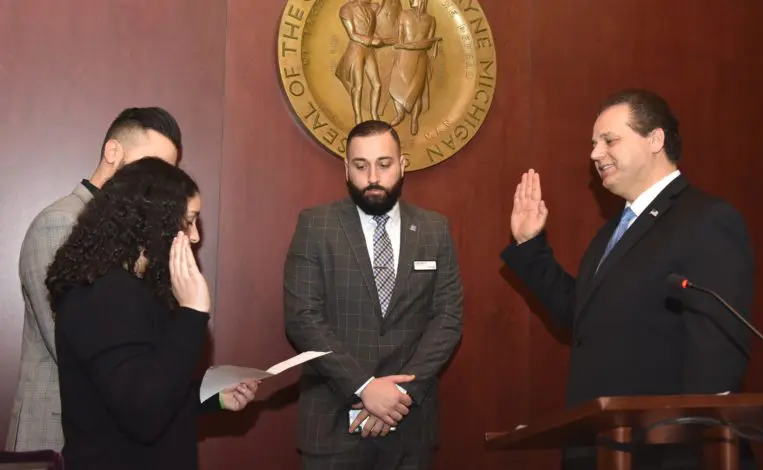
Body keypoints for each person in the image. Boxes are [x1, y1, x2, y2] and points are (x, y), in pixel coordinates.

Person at [500, 89, 755, 469]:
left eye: (610, 140)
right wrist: (529, 245)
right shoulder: (612, 233)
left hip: (665, 455)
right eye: (593, 144)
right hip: (605, 447)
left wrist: (685, 451)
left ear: (655, 139)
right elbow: (579, 316)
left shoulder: (706, 220)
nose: (595, 154)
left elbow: (715, 358)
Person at [45, 157, 258, 470]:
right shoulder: (104, 295)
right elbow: (144, 413)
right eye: (189, 221)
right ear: (153, 221)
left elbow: (149, 382)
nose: (196, 236)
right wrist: (192, 313)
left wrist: (214, 395)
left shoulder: (134, 288)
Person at [284, 119, 463, 470]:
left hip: (410, 428)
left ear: (402, 165)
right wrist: (364, 387)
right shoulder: (315, 225)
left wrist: (398, 396)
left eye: (384, 164)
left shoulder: (434, 229)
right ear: (346, 169)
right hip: (333, 426)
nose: (374, 178)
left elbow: (448, 319)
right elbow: (302, 318)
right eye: (361, 166)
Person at [7, 106, 183, 452]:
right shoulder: (61, 223)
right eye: (149, 165)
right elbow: (72, 343)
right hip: (55, 435)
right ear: (112, 152)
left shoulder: (128, 235)